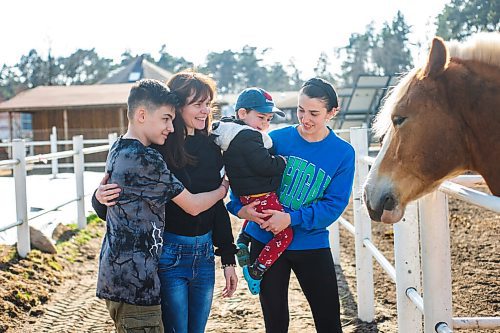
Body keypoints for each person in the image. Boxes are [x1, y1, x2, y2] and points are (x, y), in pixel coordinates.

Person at [93, 70, 238, 333]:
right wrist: (98, 197)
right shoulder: (155, 149)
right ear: (177, 106)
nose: (205, 110)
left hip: (204, 253)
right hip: (168, 253)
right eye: (198, 103)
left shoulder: (212, 148)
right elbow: (118, 200)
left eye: (208, 104)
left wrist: (228, 256)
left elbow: (215, 209)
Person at [227, 77, 355, 333]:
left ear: (332, 112)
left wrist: (289, 219)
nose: (305, 118)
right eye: (300, 110)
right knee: (275, 324)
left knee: (329, 322)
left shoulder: (343, 153)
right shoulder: (275, 140)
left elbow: (333, 206)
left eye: (314, 113)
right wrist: (239, 210)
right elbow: (242, 179)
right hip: (263, 241)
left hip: (311, 243)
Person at [211, 87, 291, 295]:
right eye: (261, 117)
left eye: (269, 119)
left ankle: (243, 240)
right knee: (285, 236)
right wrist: (281, 162)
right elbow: (264, 166)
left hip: (247, 193)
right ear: (242, 114)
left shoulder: (230, 135)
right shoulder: (249, 137)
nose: (264, 124)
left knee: (257, 214)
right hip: (261, 192)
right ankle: (257, 270)